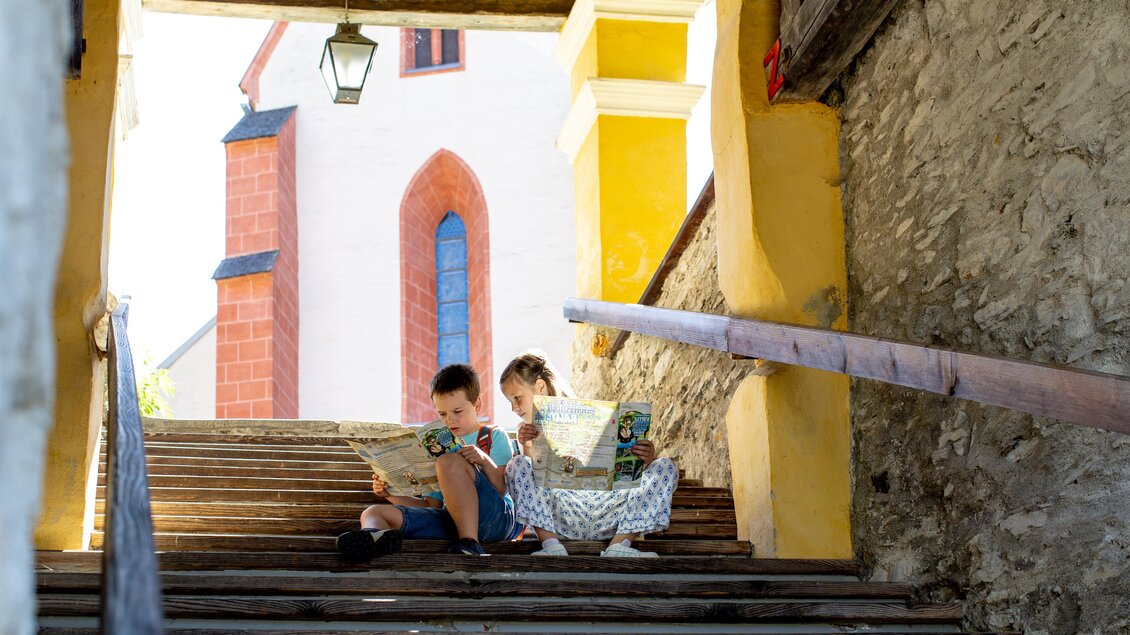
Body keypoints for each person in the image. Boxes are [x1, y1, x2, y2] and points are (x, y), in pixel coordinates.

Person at [500, 352, 679, 557]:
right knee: (517, 465)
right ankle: (551, 546)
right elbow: (535, 487)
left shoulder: (589, 415)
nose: (514, 407)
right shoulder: (527, 430)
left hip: (610, 512)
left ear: (540, 386)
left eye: (517, 398)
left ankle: (620, 546)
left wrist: (646, 458)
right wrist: (528, 444)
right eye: (510, 401)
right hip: (562, 515)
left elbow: (632, 478)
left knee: (665, 466)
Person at [336, 363, 520, 561]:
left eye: (457, 412)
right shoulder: (436, 447)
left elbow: (503, 489)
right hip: (451, 522)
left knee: (448, 462)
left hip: (495, 519)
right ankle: (374, 537)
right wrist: (389, 493)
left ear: (476, 404)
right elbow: (431, 504)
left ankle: (470, 543)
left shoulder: (492, 436)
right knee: (374, 512)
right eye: (442, 414)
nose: (450, 420)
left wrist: (483, 460)